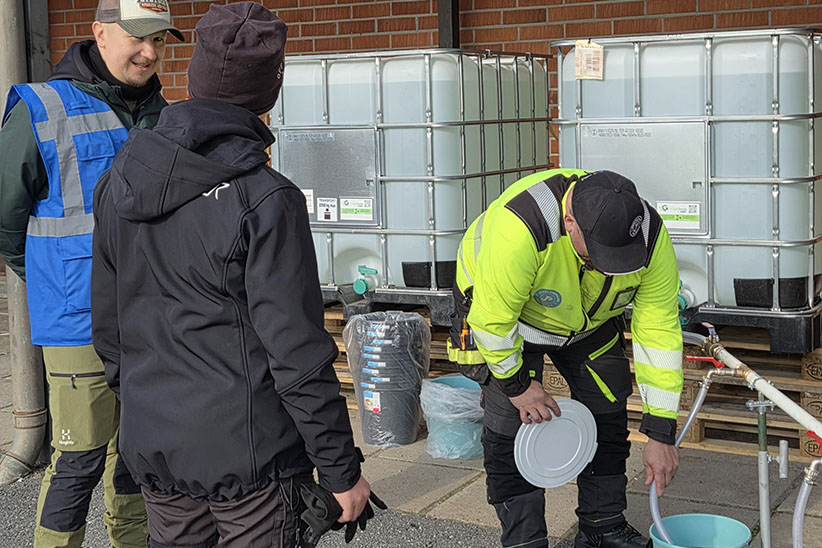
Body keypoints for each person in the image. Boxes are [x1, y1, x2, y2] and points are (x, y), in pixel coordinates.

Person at [90, 3, 376, 547]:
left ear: (194, 73)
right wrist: (341, 468)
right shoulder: (266, 198)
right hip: (251, 460)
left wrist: (148, 406)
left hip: (157, 443)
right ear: (270, 90)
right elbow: (296, 351)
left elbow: (108, 327)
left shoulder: (119, 180)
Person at [0, 1, 182, 546]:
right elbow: (6, 220)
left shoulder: (165, 114)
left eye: (159, 40)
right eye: (137, 37)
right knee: (78, 461)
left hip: (151, 319)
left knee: (136, 457)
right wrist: (53, 277)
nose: (149, 52)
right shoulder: (41, 107)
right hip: (77, 321)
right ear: (100, 33)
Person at [447, 168, 683, 548]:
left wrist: (660, 431)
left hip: (587, 322)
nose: (611, 266)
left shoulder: (647, 235)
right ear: (570, 222)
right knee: (511, 429)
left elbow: (658, 332)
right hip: (506, 322)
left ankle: (602, 528)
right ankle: (525, 541)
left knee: (608, 410)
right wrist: (517, 386)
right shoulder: (521, 227)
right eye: (602, 254)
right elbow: (493, 321)